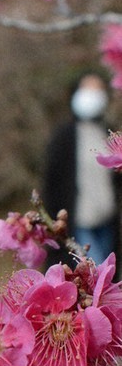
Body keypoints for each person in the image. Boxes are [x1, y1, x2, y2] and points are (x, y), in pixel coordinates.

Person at [42, 72, 122, 268]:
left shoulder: (107, 132)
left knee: (108, 274)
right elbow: (51, 183)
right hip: (78, 222)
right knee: (94, 271)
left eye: (97, 90)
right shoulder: (64, 136)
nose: (92, 95)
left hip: (107, 220)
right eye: (87, 89)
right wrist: (53, 225)